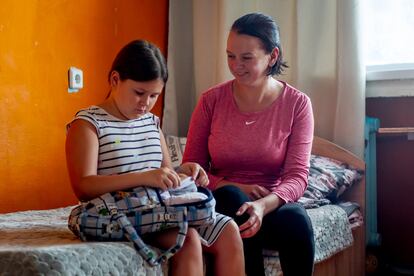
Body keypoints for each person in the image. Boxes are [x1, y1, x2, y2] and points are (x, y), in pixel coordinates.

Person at [65, 39, 244, 276]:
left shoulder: (151, 123)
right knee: (187, 238)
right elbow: (83, 186)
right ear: (115, 80)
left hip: (158, 206)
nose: (145, 103)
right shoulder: (88, 124)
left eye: (154, 96)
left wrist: (186, 171)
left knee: (229, 229)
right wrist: (145, 178)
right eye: (139, 93)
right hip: (119, 213)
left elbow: (166, 174)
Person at [182, 13, 315, 276]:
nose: (236, 65)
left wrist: (263, 205)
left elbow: (298, 177)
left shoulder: (297, 104)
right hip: (223, 203)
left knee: (297, 220)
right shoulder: (211, 101)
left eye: (246, 58)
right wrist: (233, 186)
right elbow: (192, 169)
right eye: (230, 56)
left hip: (270, 204)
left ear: (272, 56)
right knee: (233, 198)